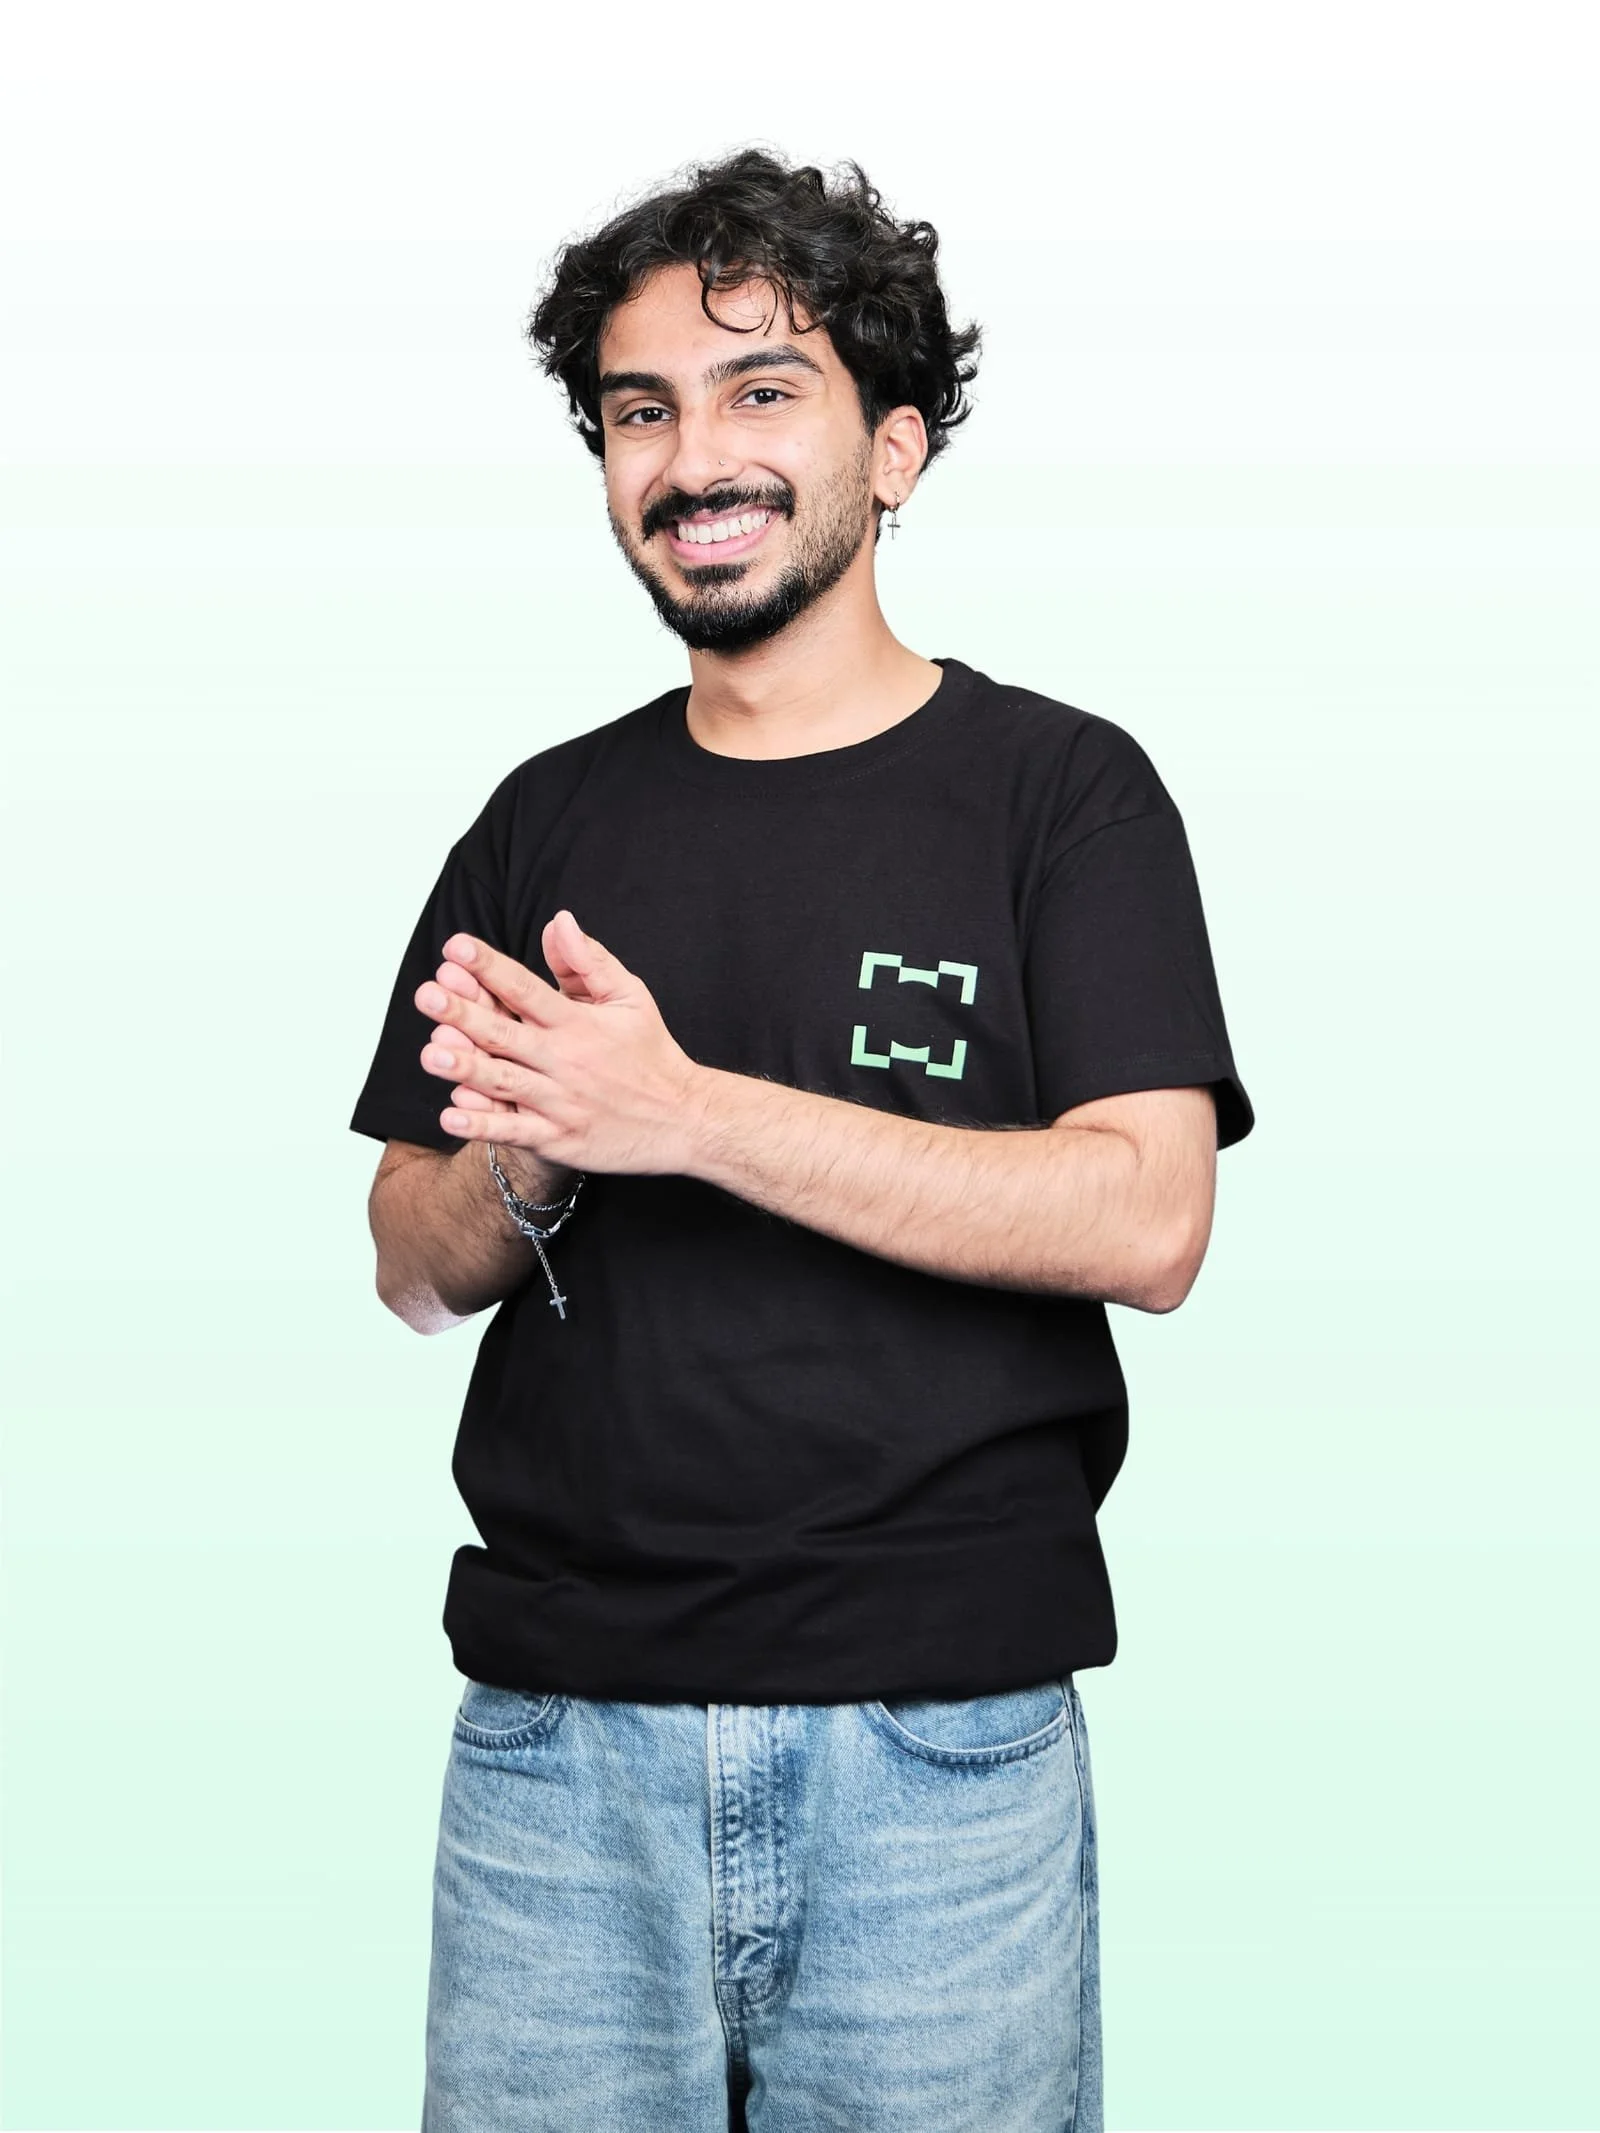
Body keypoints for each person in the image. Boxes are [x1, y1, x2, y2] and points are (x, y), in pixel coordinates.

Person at [349, 146, 1254, 2133]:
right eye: (638, 411)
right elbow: (410, 1258)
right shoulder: (540, 821)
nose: (693, 457)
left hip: (932, 1753)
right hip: (552, 1750)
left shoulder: (1060, 796)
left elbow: (1149, 1214)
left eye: (761, 391)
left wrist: (683, 1113)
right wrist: (534, 1161)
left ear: (894, 447)